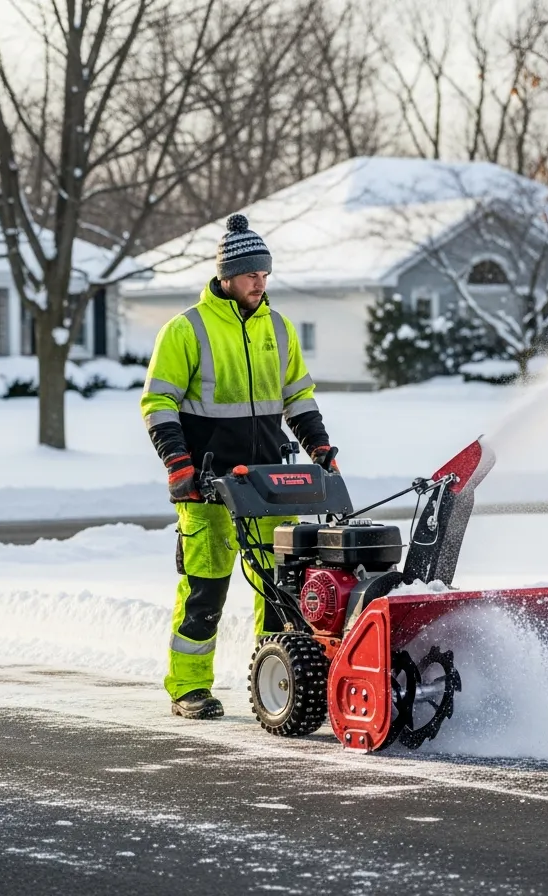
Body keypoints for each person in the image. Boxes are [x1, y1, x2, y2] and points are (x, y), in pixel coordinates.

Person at [140, 213, 339, 720]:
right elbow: (158, 404)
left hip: (272, 484)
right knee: (205, 591)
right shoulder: (187, 329)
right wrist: (178, 465)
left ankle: (273, 682)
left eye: (265, 274)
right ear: (226, 276)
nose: (260, 283)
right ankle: (189, 687)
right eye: (252, 274)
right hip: (208, 485)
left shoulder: (278, 327)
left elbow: (298, 395)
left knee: (280, 588)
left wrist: (319, 447)